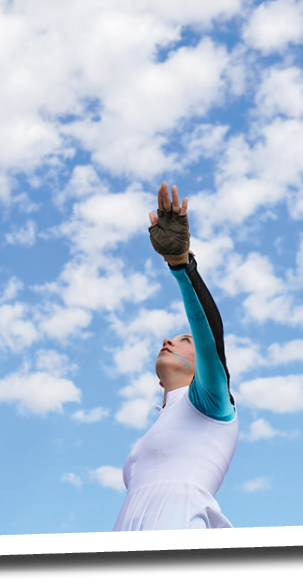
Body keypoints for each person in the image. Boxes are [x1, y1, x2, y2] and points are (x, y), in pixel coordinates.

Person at [112, 182, 239, 531]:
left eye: (185, 340)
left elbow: (210, 336)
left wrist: (181, 265)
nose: (169, 340)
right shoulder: (154, 430)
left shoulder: (210, 403)